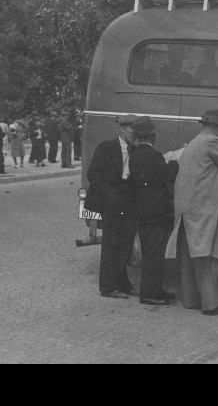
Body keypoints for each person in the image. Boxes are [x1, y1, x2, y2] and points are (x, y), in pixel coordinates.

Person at [164, 110, 218, 316]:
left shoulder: (194, 142)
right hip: (202, 208)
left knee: (188, 255)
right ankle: (210, 304)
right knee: (205, 256)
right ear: (215, 128)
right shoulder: (211, 142)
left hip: (186, 207)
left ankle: (190, 300)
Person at [88, 115, 139, 299]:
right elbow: (93, 173)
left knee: (125, 244)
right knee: (111, 244)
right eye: (132, 130)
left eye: (137, 131)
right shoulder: (106, 148)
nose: (134, 134)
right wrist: (109, 194)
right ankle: (108, 287)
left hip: (128, 202)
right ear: (122, 129)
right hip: (112, 202)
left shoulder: (136, 150)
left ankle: (122, 283)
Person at [129, 116, 177, 305]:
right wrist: (173, 161)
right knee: (155, 255)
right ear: (152, 136)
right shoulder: (154, 155)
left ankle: (155, 290)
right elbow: (168, 175)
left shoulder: (134, 154)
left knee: (150, 252)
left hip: (142, 210)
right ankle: (150, 294)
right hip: (156, 211)